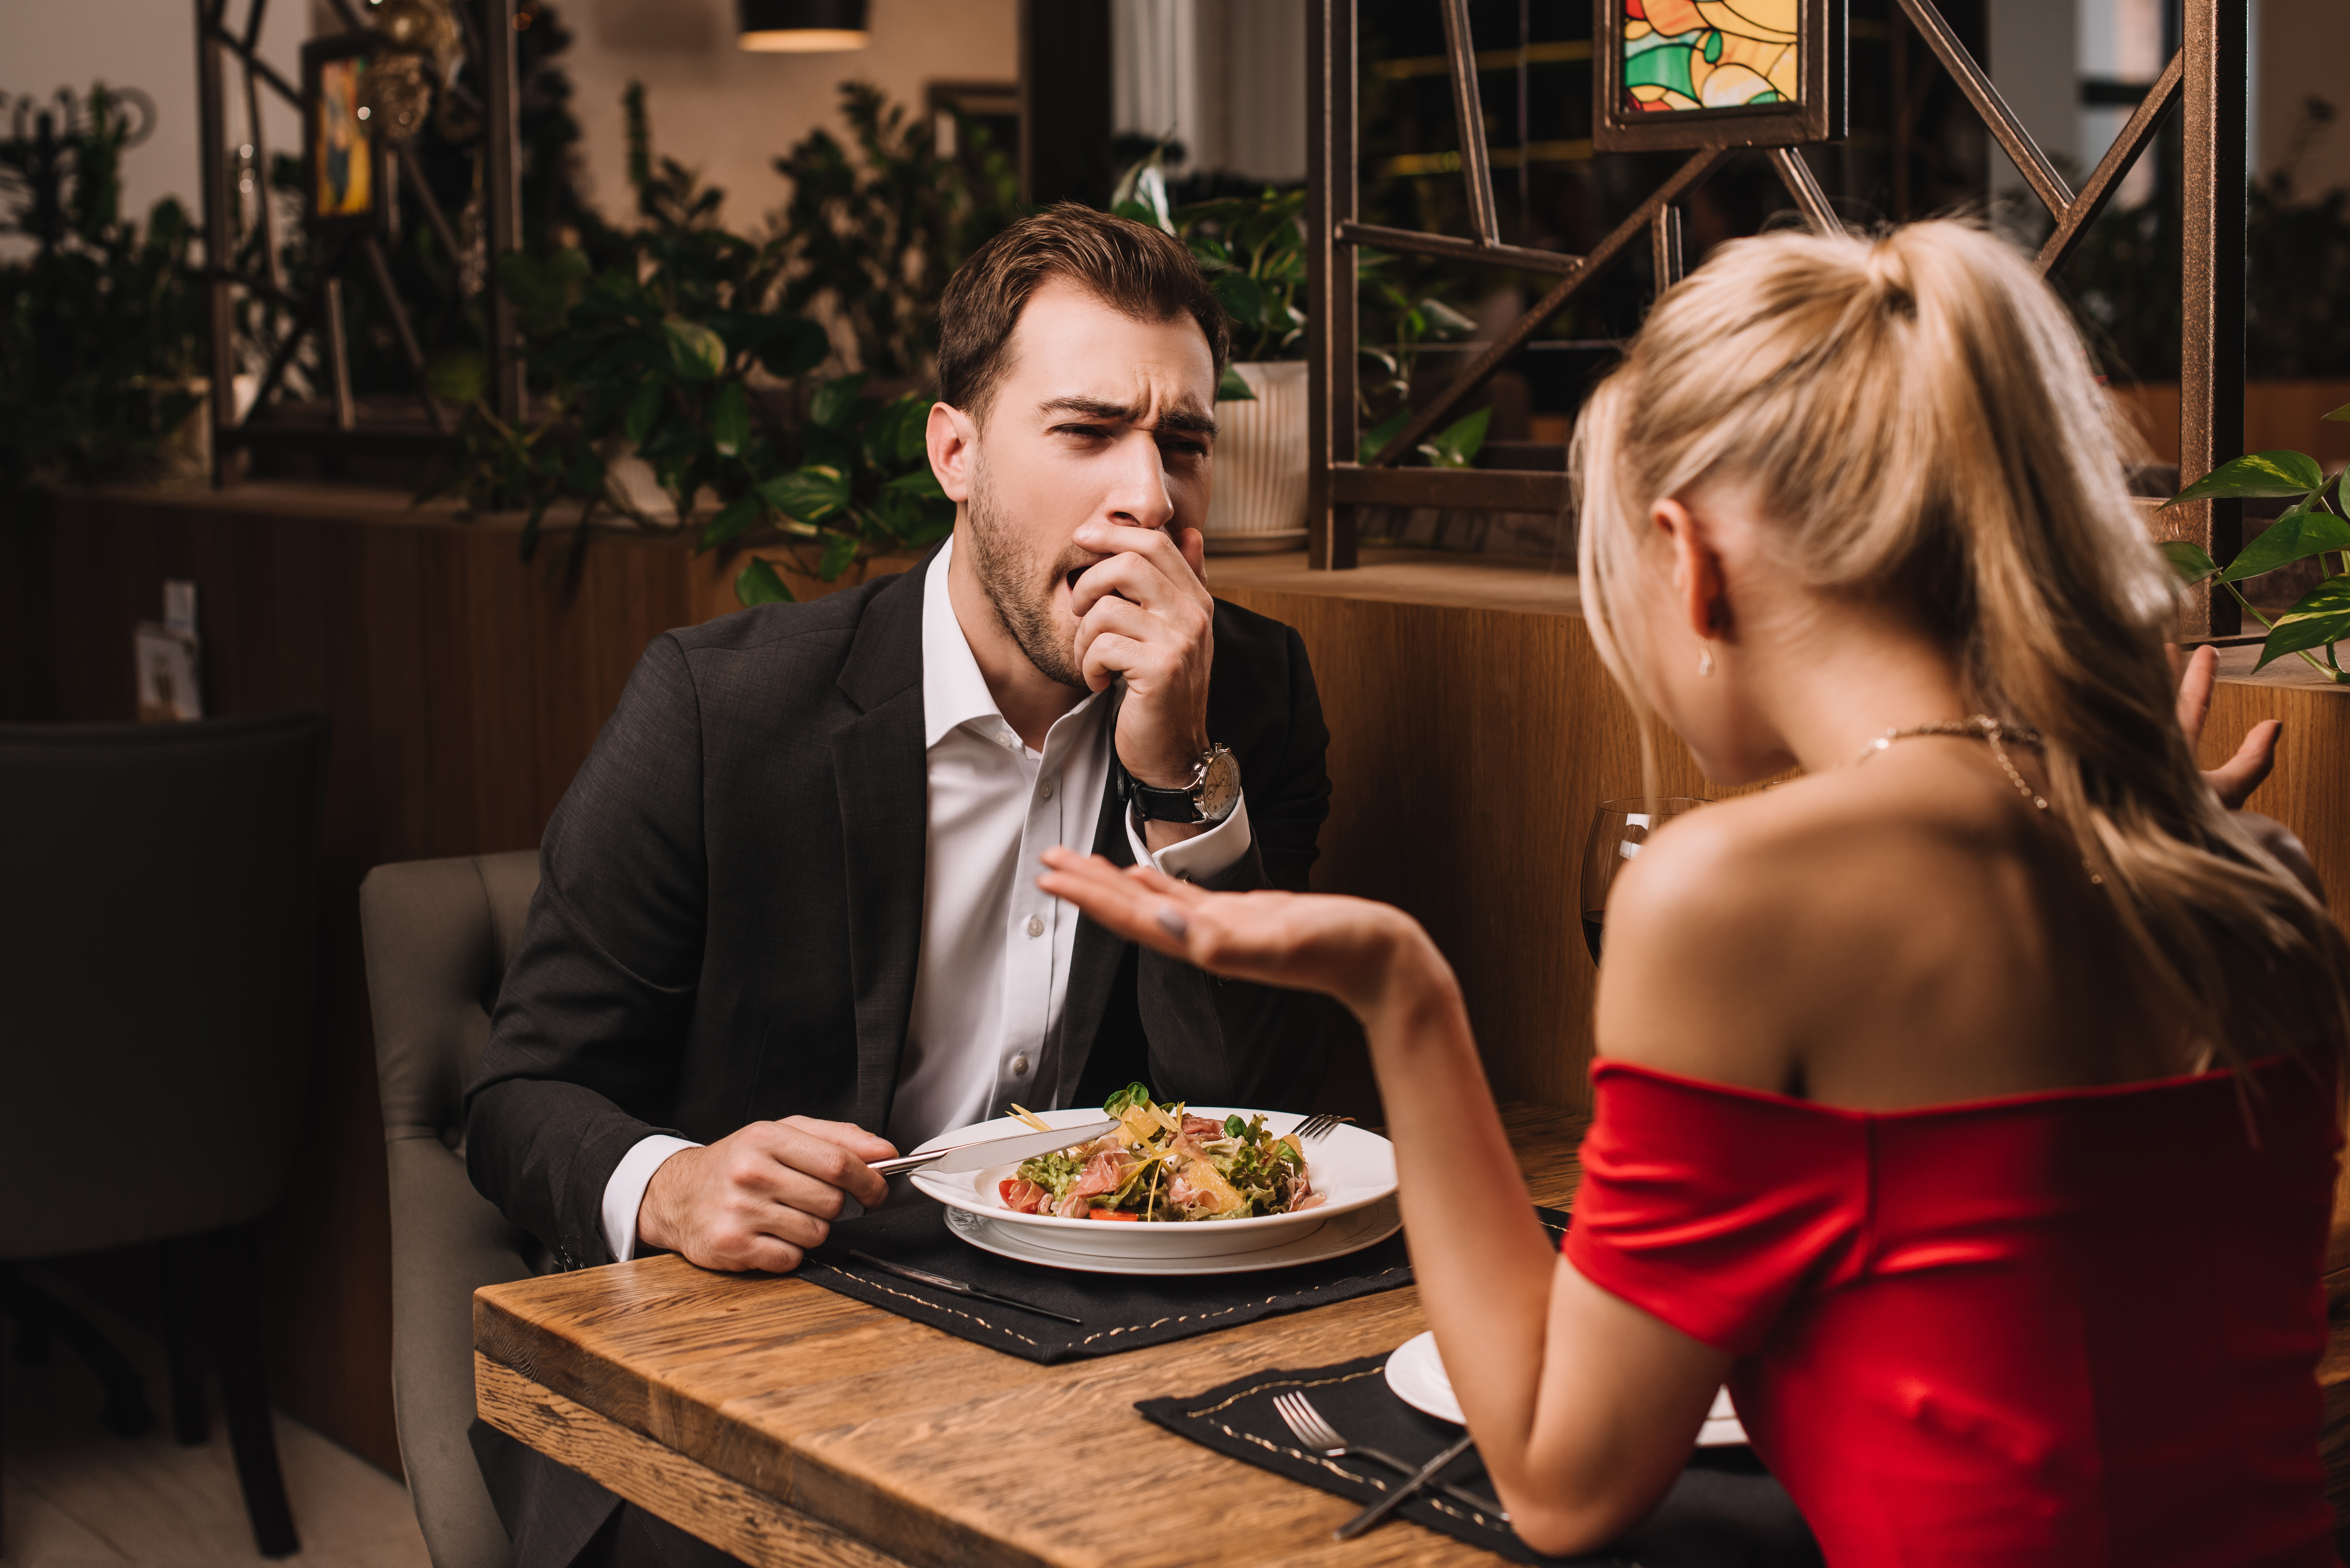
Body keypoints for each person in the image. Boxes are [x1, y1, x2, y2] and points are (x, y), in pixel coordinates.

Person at [1042, 220, 2345, 1566]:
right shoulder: (2257, 876)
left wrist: (1401, 991)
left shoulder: (1730, 888)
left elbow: (1561, 1481)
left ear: (1691, 557)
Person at [462, 204, 1331, 1568]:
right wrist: (676, 1183)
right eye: (1086, 432)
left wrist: (1173, 776)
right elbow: (514, 1100)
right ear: (955, 452)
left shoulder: (1248, 698)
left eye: (1180, 444)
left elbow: (1250, 1110)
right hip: (731, 1375)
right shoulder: (718, 707)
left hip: (1066, 1367)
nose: (1148, 501)